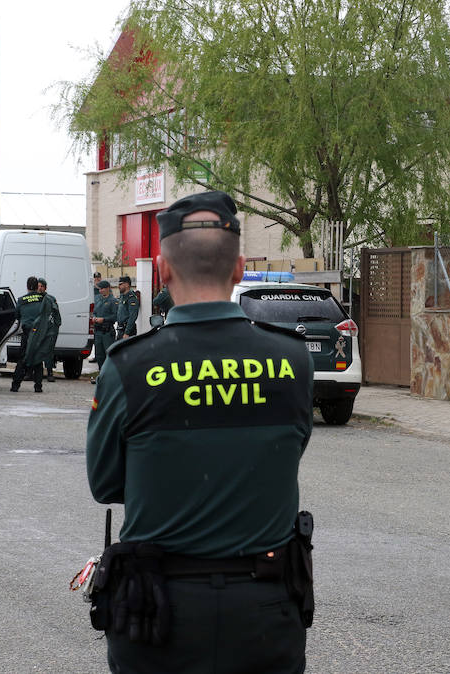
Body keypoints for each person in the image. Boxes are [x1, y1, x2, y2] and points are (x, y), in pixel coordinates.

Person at [86, 191, 314, 673]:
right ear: (239, 271)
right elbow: (290, 450)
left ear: (164, 272)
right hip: (266, 608)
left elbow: (106, 483)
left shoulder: (129, 365)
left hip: (158, 613)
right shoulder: (293, 360)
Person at [10, 276, 56, 393]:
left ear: (27, 286)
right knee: (38, 359)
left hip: (27, 333)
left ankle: (15, 386)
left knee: (22, 359)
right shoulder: (44, 299)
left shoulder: (21, 300)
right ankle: (38, 386)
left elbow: (17, 316)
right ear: (37, 287)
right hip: (40, 334)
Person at [91, 279, 118, 384]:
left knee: (108, 355)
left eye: (102, 289)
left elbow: (115, 316)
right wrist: (94, 318)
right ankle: (101, 375)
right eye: (99, 289)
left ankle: (109, 377)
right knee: (99, 355)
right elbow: (94, 312)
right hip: (98, 332)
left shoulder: (113, 301)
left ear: (107, 288)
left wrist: (104, 319)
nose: (100, 291)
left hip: (107, 332)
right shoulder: (98, 300)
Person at [37, 277, 62, 382]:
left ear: (45, 288)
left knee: (48, 352)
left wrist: (55, 326)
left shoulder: (50, 298)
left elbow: (56, 314)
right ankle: (33, 373)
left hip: (49, 329)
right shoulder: (34, 298)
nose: (40, 288)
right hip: (38, 330)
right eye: (38, 286)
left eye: (42, 286)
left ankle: (50, 372)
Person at [114, 275, 139, 340]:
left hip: (127, 331)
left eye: (121, 284)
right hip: (120, 329)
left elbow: (133, 316)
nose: (118, 286)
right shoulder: (122, 297)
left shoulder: (131, 298)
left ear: (127, 285)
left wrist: (127, 332)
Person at [90, 272, 102, 363]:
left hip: (102, 316)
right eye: (95, 279)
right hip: (93, 315)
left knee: (101, 338)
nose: (97, 280)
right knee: (95, 338)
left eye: (98, 279)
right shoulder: (91, 290)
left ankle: (101, 356)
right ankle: (97, 356)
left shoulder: (104, 289)